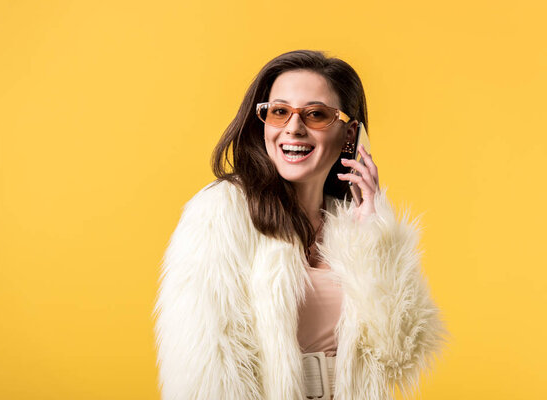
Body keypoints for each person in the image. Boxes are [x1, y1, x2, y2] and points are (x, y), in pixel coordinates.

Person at [153, 49, 449, 400]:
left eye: (316, 114)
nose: (294, 127)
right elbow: (206, 371)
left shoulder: (356, 224)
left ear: (349, 134)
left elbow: (400, 356)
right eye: (279, 112)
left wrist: (375, 236)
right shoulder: (220, 215)